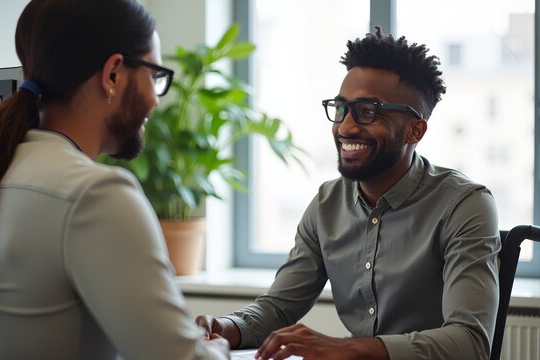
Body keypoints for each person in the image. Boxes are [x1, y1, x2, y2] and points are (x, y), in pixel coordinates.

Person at [197, 27, 500, 360]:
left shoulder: (465, 205)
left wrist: (350, 348)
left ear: (415, 129)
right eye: (341, 109)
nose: (345, 127)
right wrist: (227, 326)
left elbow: (470, 343)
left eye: (368, 111)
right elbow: (278, 307)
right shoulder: (327, 205)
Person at [0, 0, 229, 359]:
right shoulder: (97, 195)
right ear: (114, 74)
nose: (155, 100)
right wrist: (217, 349)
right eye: (155, 76)